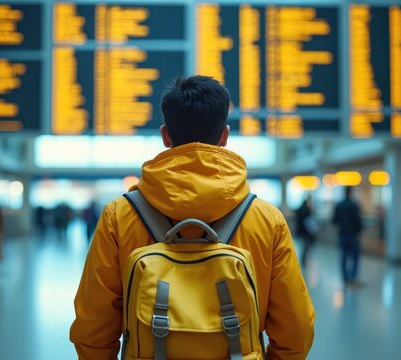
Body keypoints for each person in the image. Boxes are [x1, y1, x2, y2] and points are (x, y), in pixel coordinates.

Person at [70, 76, 315, 358]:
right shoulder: (266, 220)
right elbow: (297, 329)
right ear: (224, 135)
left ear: (165, 136)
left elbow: (92, 327)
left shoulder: (120, 216)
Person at [332, 186, 363, 286]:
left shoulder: (339, 205)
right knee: (355, 256)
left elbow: (334, 220)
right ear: (350, 192)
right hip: (352, 235)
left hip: (342, 234)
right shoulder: (354, 205)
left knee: (344, 256)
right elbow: (357, 220)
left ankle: (345, 278)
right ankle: (352, 277)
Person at [295, 196, 316, 267]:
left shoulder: (300, 209)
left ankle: (303, 261)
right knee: (306, 247)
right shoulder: (307, 210)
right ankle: (304, 261)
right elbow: (308, 222)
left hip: (301, 231)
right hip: (306, 232)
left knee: (304, 246)